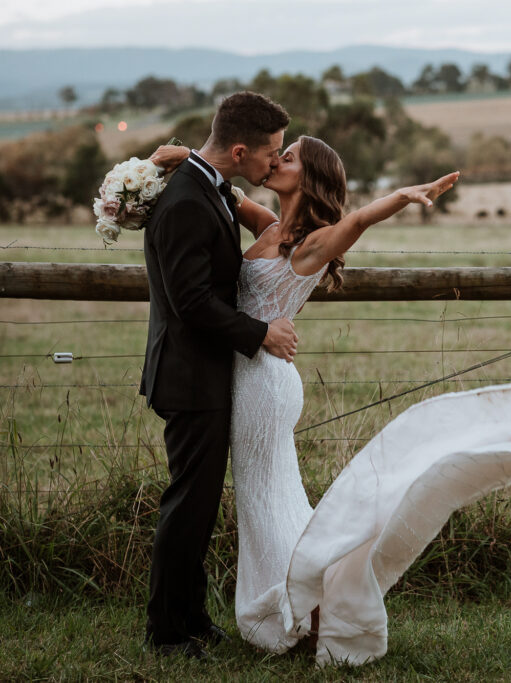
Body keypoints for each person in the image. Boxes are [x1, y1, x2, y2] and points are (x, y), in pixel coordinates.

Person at [150, 135, 511, 667]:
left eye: (289, 157)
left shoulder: (316, 242)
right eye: (278, 154)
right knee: (270, 495)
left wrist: (404, 196)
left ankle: (304, 611)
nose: (276, 161)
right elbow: (223, 190)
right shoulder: (269, 226)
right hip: (252, 375)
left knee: (263, 497)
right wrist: (184, 158)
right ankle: (312, 606)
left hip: (264, 385)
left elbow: (360, 220)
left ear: (310, 178)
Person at [140, 91, 298, 659]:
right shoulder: (186, 200)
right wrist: (261, 334)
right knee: (187, 505)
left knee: (200, 504)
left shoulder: (206, 184)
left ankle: (192, 617)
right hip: (188, 377)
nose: (274, 164)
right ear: (239, 150)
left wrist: (185, 157)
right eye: (270, 154)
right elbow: (191, 302)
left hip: (204, 373)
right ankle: (167, 633)